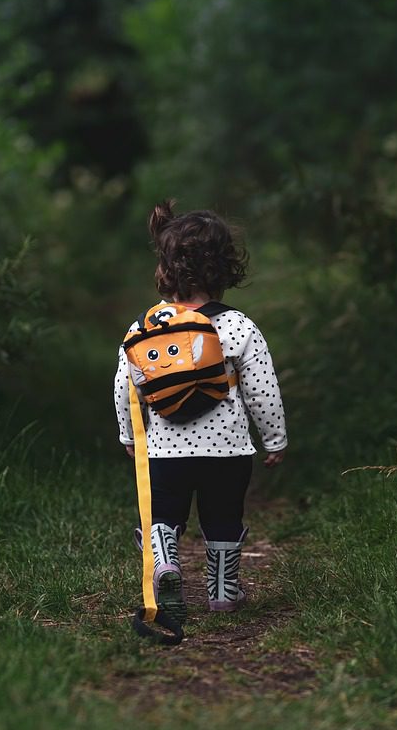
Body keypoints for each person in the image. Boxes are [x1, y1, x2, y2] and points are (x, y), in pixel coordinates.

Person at [114, 200, 287, 625]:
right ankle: (224, 590)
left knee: (163, 515)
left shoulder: (143, 328)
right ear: (225, 269)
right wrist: (275, 439)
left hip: (164, 451)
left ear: (166, 268)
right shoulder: (239, 326)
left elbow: (125, 389)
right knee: (223, 516)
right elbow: (262, 391)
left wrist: (129, 436)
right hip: (227, 451)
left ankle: (166, 565)